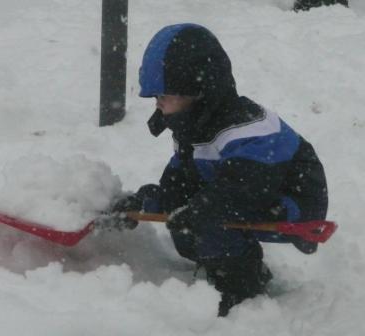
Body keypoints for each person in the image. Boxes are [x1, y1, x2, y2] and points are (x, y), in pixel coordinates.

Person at [110, 23, 328, 316]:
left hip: (290, 202)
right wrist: (146, 201)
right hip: (236, 195)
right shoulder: (192, 126)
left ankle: (244, 286)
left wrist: (200, 211)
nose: (158, 101)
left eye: (166, 93)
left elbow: (245, 191)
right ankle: (221, 265)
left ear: (198, 91)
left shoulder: (249, 128)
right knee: (190, 221)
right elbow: (180, 185)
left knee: (209, 222)